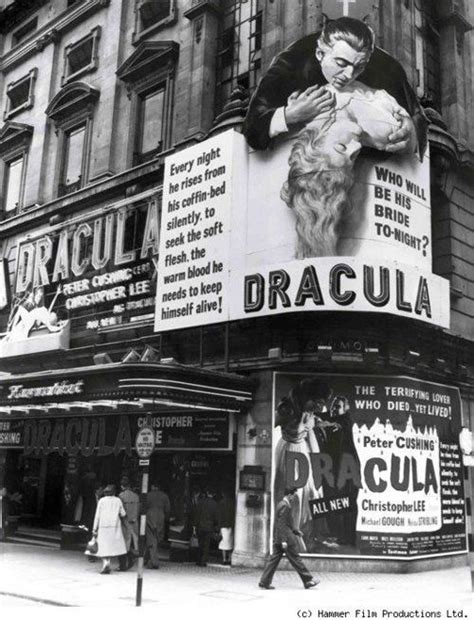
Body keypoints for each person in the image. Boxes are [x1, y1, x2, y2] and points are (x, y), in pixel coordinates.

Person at [243, 17, 426, 156]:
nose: (349, 75)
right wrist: (290, 114)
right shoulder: (290, 63)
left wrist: (412, 134)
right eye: (341, 63)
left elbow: (418, 118)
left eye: (359, 67)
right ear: (320, 53)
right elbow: (252, 127)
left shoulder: (388, 68)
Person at [258, 488, 320, 590]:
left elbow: (285, 522)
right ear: (289, 495)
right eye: (293, 496)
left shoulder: (281, 504)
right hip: (286, 538)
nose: (294, 498)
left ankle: (264, 582)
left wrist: (296, 531)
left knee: (273, 561)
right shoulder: (285, 505)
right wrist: (284, 540)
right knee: (296, 559)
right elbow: (282, 524)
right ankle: (308, 580)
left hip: (280, 538)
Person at [92, 484, 128, 574]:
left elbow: (97, 516)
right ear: (114, 492)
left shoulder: (101, 501)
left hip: (103, 526)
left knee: (104, 546)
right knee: (114, 546)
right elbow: (123, 513)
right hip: (115, 526)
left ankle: (106, 563)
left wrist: (94, 528)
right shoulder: (118, 500)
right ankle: (112, 564)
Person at [145, 481, 170, 569]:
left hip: (150, 517)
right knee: (157, 538)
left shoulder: (148, 495)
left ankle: (154, 562)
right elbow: (167, 509)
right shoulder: (164, 496)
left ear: (153, 486)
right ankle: (147, 558)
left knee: (151, 539)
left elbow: (143, 507)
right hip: (160, 518)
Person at [192, 487, 219, 567]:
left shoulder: (201, 502)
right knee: (206, 545)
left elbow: (196, 514)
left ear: (207, 493)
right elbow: (216, 517)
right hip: (209, 527)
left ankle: (198, 560)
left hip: (200, 526)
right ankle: (203, 561)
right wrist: (216, 527)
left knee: (200, 544)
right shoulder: (215, 504)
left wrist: (194, 526)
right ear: (213, 494)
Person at [119, 476, 139, 569]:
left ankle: (127, 560)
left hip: (125, 521)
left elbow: (121, 510)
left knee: (124, 542)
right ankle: (132, 556)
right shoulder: (136, 496)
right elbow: (139, 509)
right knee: (134, 540)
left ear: (122, 486)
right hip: (134, 520)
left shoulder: (121, 496)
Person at [217, 490, 235, 565]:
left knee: (224, 543)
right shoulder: (233, 502)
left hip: (223, 526)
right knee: (230, 543)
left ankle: (224, 559)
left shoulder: (221, 503)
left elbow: (220, 516)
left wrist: (219, 528)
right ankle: (230, 559)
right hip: (231, 526)